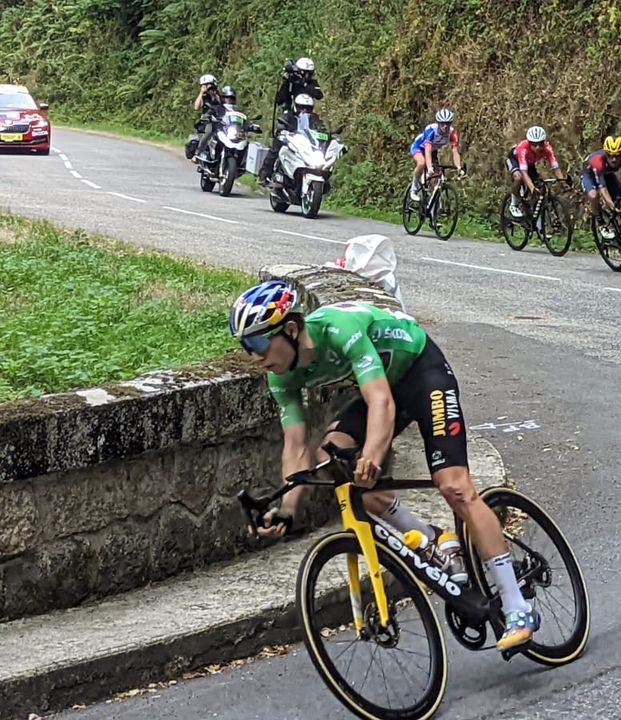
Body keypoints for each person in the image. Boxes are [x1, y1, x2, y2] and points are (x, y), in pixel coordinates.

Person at [229, 281, 541, 650]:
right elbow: (295, 447)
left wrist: (373, 458)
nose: (254, 355)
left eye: (259, 343)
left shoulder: (338, 331)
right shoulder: (281, 376)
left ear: (292, 330)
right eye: (247, 347)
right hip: (384, 384)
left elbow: (382, 404)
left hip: (423, 372)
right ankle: (434, 541)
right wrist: (285, 510)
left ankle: (516, 605)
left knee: (454, 485)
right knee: (332, 458)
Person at [260, 93, 322, 186]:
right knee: (275, 149)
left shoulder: (314, 118)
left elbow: (321, 129)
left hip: (306, 143)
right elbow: (281, 123)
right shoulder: (289, 115)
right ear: (296, 106)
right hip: (290, 140)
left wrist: (327, 135)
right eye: (302, 107)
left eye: (308, 108)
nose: (305, 110)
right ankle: (264, 175)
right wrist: (282, 130)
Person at [505, 126, 566, 218]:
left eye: (540, 144)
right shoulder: (523, 148)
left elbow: (556, 167)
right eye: (534, 144)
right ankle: (513, 205)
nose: (538, 147)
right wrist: (531, 187)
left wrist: (563, 182)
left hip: (529, 163)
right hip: (515, 160)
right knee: (519, 177)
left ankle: (535, 218)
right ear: (529, 143)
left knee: (540, 185)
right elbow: (524, 172)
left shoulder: (547, 148)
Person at [408, 108, 465, 202]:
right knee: (422, 163)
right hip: (419, 147)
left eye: (448, 123)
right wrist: (429, 167)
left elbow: (455, 151)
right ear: (438, 123)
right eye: (442, 123)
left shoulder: (452, 133)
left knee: (435, 181)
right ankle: (414, 188)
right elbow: (427, 150)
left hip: (432, 151)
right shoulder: (431, 130)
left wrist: (458, 166)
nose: (445, 126)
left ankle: (432, 208)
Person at [191, 74, 223, 162]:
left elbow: (225, 105)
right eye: (204, 85)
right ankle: (198, 152)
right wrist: (201, 92)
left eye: (209, 85)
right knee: (209, 132)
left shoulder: (218, 95)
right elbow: (196, 107)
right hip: (208, 120)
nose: (207, 87)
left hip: (220, 119)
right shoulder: (203, 97)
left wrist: (215, 93)